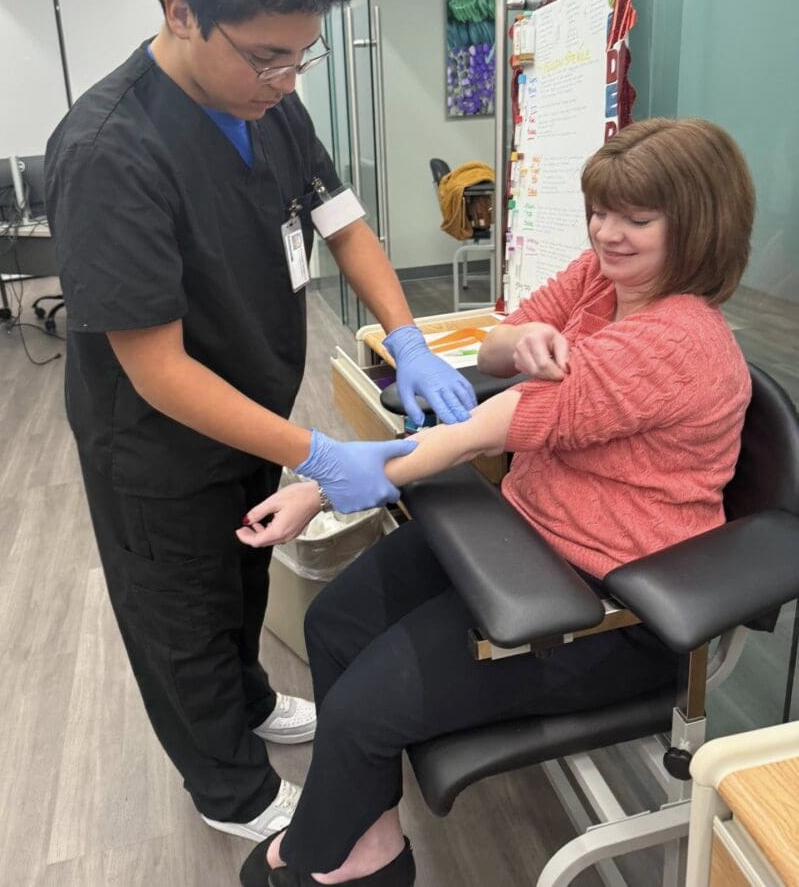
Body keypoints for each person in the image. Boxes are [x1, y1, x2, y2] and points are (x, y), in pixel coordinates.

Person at [44, 0, 476, 844]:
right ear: (180, 12)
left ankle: (247, 704)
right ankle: (228, 788)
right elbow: (156, 371)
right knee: (181, 613)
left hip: (248, 406)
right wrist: (323, 455)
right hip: (155, 443)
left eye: (300, 56)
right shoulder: (111, 150)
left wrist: (405, 337)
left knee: (241, 583)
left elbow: (343, 221)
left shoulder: (269, 106)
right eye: (266, 56)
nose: (285, 79)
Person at [234, 117, 756, 887]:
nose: (607, 234)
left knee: (361, 712)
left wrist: (321, 481)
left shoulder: (679, 339)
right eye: (600, 211)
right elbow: (496, 342)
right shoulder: (606, 277)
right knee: (332, 623)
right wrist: (527, 342)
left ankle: (325, 854)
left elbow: (497, 424)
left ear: (699, 226)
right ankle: (372, 837)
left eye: (635, 220)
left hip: (607, 604)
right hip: (522, 536)